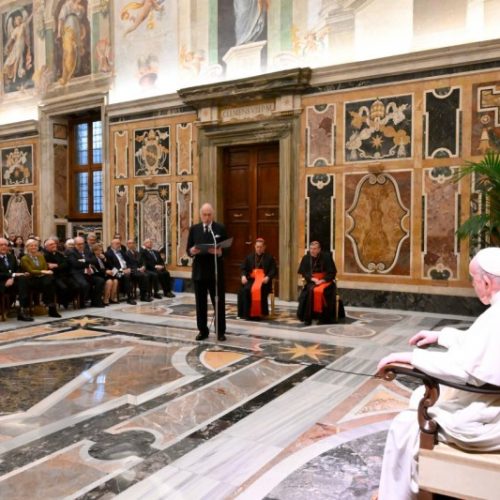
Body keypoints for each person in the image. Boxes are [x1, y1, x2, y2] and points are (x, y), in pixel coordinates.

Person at [376, 247, 500, 500]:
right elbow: (479, 348)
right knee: (418, 399)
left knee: (405, 425)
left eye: (473, 279)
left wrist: (410, 358)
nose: (473, 285)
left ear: (487, 282)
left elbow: (465, 371)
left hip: (489, 420)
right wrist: (440, 336)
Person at [187, 203, 228, 341]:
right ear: (200, 215)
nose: (207, 217)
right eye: (204, 214)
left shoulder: (220, 228)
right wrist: (192, 251)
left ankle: (220, 331)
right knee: (200, 304)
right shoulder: (194, 229)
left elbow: (227, 248)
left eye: (209, 214)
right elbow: (188, 249)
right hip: (199, 272)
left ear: (213, 214)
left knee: (218, 302)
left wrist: (220, 251)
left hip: (215, 272)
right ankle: (202, 331)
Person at [297, 241, 344, 325]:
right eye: (311, 249)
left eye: (314, 249)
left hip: (326, 281)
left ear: (319, 249)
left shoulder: (327, 257)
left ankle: (323, 317)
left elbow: (332, 273)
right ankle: (309, 317)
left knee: (324, 292)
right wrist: (312, 279)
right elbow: (304, 273)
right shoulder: (306, 258)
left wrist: (323, 280)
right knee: (310, 291)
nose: (312, 251)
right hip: (312, 281)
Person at [20, 239, 61, 318]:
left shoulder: (41, 256)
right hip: (31, 280)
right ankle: (49, 305)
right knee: (48, 282)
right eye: (31, 246)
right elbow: (30, 270)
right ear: (27, 247)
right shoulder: (24, 258)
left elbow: (45, 267)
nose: (34, 247)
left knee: (50, 281)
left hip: (42, 279)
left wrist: (43, 272)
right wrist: (42, 272)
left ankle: (51, 307)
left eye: (35, 245)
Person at [237, 238, 277, 320]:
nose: (259, 249)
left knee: (257, 289)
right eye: (257, 247)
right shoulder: (249, 257)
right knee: (244, 290)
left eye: (261, 247)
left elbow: (273, 270)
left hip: (263, 281)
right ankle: (246, 314)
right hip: (251, 280)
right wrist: (243, 276)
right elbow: (243, 268)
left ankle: (257, 314)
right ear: (255, 247)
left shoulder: (269, 258)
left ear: (264, 247)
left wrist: (268, 277)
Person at [0, 237, 32, 321]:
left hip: (12, 281)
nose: (4, 247)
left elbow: (17, 269)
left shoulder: (11, 257)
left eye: (6, 245)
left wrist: (13, 277)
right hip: (1, 282)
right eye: (1, 245)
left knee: (23, 279)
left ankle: (22, 310)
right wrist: (12, 275)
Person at [66, 236, 105, 307]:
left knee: (100, 280)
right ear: (75, 244)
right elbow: (75, 264)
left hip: (88, 272)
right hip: (77, 273)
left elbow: (93, 260)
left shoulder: (87, 251)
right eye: (79, 244)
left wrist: (83, 261)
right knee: (84, 284)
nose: (81, 246)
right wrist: (86, 263)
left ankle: (95, 301)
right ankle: (81, 302)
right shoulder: (71, 252)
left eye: (82, 244)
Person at [43, 238, 76, 308]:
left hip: (63, 275)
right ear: (46, 247)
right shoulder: (44, 256)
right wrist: (59, 266)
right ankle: (62, 302)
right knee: (63, 287)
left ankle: (68, 301)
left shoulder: (59, 254)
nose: (54, 245)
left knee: (76, 286)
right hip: (54, 276)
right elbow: (49, 267)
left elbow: (66, 264)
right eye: (51, 244)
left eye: (54, 244)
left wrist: (57, 265)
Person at [105, 238, 137, 305]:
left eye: (119, 243)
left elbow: (128, 261)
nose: (119, 245)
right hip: (116, 273)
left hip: (125, 270)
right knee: (127, 276)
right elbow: (111, 266)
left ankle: (143, 294)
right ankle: (129, 297)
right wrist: (122, 271)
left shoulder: (122, 252)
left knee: (137, 274)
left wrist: (129, 268)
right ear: (112, 245)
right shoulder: (108, 253)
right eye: (117, 244)